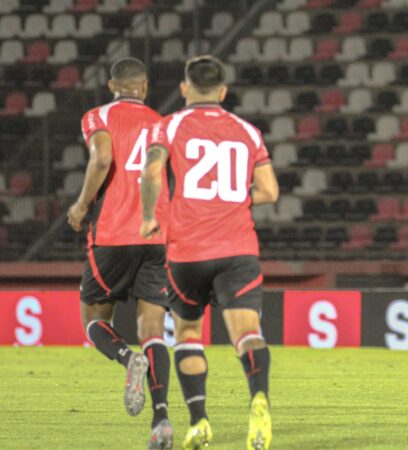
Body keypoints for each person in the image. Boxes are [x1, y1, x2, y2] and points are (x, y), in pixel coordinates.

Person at [140, 55, 279, 450]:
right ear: (223, 91)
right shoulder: (248, 131)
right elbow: (269, 191)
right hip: (237, 249)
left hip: (187, 251)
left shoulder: (169, 125)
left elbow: (151, 172)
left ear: (185, 88)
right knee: (247, 334)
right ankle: (258, 398)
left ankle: (199, 421)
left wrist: (149, 217)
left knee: (187, 334)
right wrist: (234, 199)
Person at [66, 57, 173, 449]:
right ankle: (161, 421)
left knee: (94, 319)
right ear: (144, 87)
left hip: (113, 234)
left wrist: (81, 205)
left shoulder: (98, 116)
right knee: (153, 329)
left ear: (112, 85)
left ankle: (129, 360)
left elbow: (102, 158)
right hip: (157, 234)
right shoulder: (162, 123)